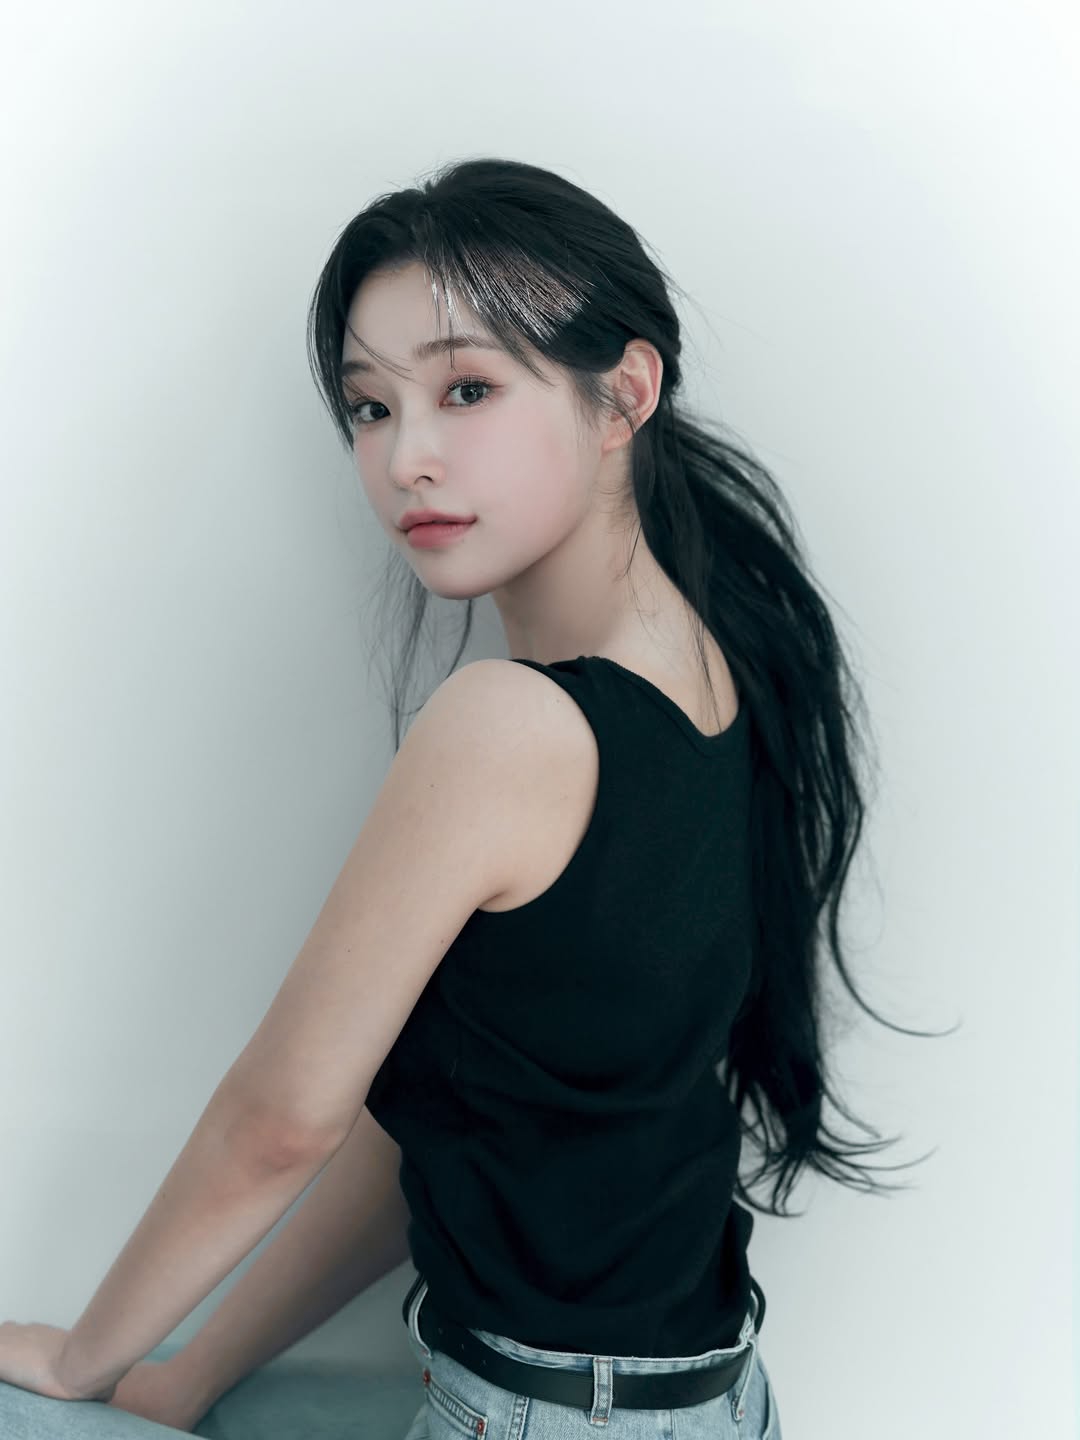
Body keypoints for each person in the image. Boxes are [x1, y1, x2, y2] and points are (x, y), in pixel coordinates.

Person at [1, 157, 939, 1438]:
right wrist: (188, 1371)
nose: (407, 459)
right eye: (370, 406)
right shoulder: (721, 669)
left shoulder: (509, 727)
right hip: (713, 1400)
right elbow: (454, 1128)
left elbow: (280, 1123)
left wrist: (82, 1361)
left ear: (626, 394)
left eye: (468, 390)